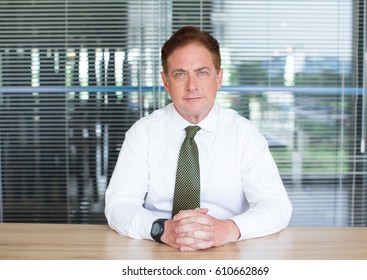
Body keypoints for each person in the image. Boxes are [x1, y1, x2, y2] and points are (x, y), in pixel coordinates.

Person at [105, 26, 292, 252]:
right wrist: (163, 230)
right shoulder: (143, 133)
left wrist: (227, 229)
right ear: (165, 81)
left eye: (202, 72)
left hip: (229, 251)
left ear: (219, 77)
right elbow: (118, 205)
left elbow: (276, 205)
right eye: (180, 74)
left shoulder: (244, 134)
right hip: (159, 250)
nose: (192, 86)